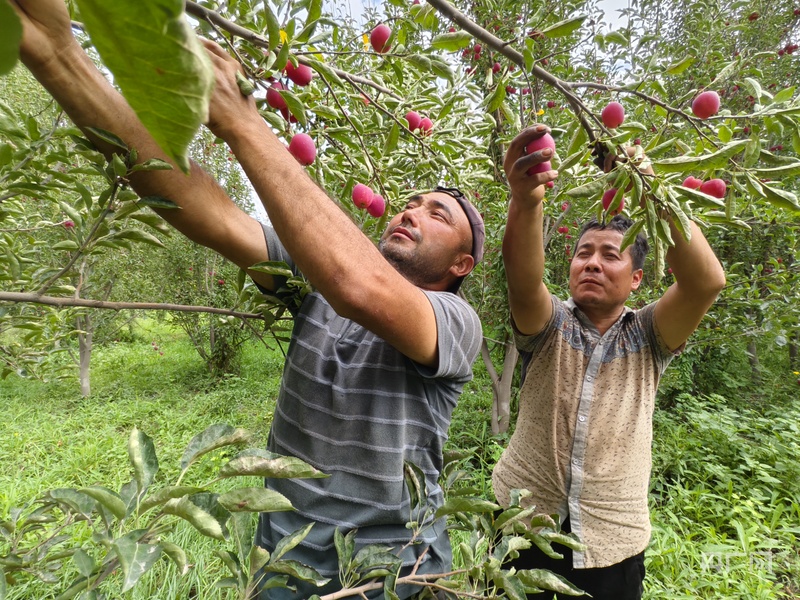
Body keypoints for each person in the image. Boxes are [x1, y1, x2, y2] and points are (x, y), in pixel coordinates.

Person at [11, 1, 484, 597]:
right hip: (285, 567)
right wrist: (60, 57)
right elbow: (202, 205)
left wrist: (244, 123)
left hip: (398, 578)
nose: (413, 211)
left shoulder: (457, 323)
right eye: (411, 202)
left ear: (462, 265)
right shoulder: (313, 279)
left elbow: (360, 288)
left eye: (438, 214)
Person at [494, 125, 726, 599]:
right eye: (583, 254)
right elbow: (522, 280)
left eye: (609, 256)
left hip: (611, 542)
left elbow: (704, 282)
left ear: (638, 278)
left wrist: (643, 184)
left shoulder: (649, 334)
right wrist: (527, 200)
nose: (592, 263)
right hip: (520, 522)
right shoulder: (551, 323)